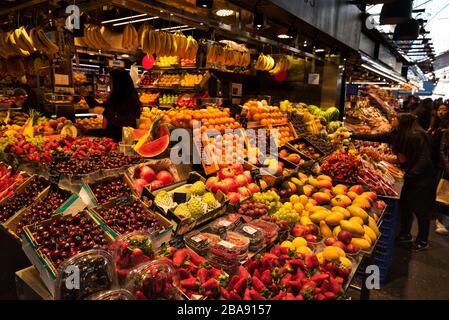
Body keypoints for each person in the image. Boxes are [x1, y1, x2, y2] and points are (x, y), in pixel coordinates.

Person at [352, 113, 436, 251]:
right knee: (406, 205)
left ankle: (422, 241)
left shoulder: (416, 136)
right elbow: (379, 137)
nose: (392, 120)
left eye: (395, 118)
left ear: (403, 122)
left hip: (423, 178)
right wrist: (353, 135)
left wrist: (411, 174)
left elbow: (424, 159)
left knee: (421, 209)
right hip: (411, 174)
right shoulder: (399, 133)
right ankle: (405, 234)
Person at [102, 68, 141, 141]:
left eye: (111, 82)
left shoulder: (130, 99)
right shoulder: (115, 97)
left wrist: (106, 112)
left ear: (118, 83)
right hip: (112, 140)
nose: (109, 85)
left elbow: (127, 122)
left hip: (123, 141)